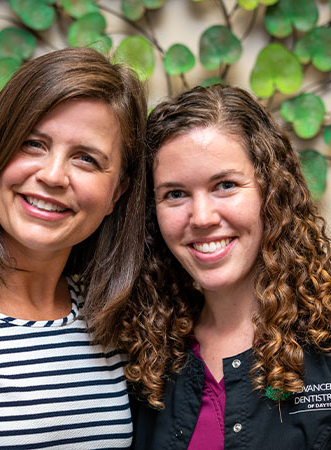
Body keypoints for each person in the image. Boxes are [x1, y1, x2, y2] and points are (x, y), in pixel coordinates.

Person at [0, 46, 146, 449]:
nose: (52, 175)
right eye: (32, 143)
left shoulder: (107, 320)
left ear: (117, 192)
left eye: (85, 158)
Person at [120, 84, 331, 449]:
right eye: (175, 194)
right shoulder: (142, 356)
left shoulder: (324, 342)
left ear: (272, 191)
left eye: (225, 185)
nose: (201, 218)